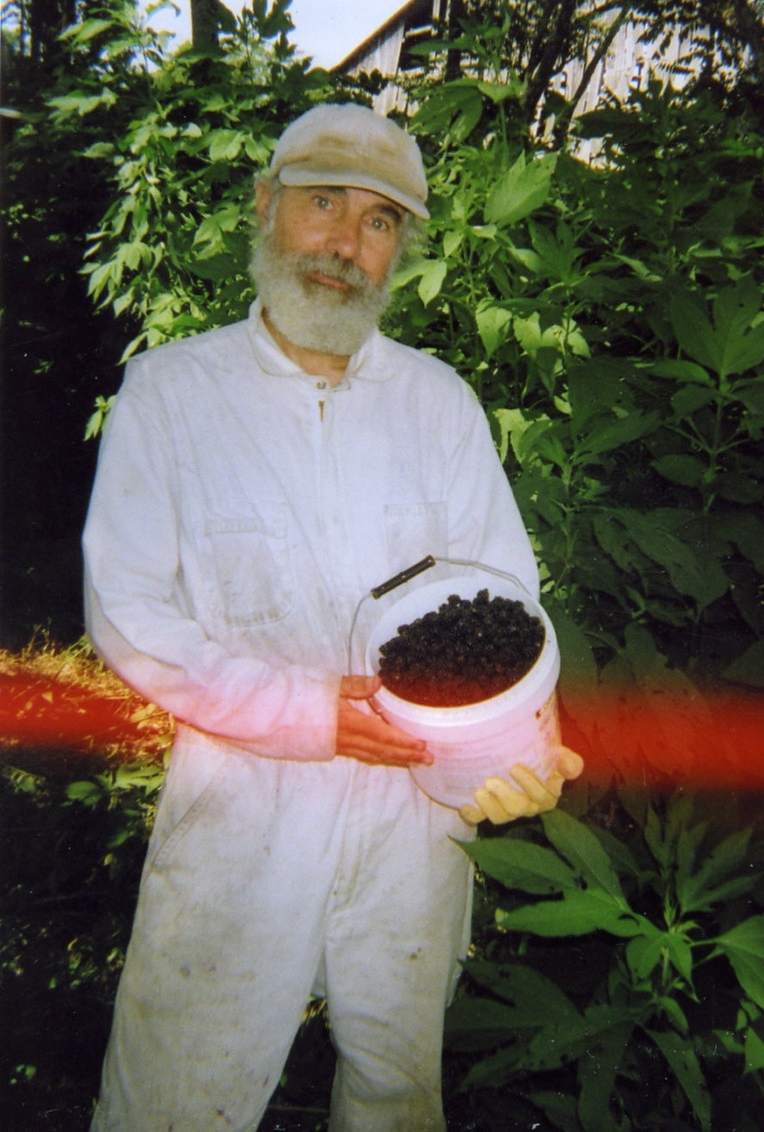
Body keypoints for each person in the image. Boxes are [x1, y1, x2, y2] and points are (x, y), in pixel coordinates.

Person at [83, 103, 583, 1132]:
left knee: (397, 1093)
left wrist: (520, 746)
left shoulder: (439, 403)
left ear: (400, 252)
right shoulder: (170, 395)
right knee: (174, 1095)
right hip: (241, 808)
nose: (344, 245)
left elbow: (501, 602)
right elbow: (128, 611)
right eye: (322, 205)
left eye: (379, 223)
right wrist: (306, 714)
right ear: (265, 208)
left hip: (414, 818)